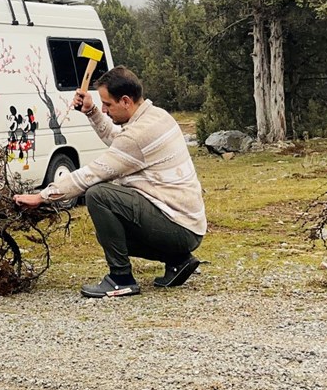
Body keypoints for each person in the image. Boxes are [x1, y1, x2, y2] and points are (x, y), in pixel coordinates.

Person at [14, 66, 206, 298]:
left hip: (178, 227)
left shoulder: (138, 135)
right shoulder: (156, 116)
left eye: (107, 104)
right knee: (110, 234)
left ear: (126, 101)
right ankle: (178, 260)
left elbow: (92, 174)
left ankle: (121, 278)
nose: (104, 110)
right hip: (187, 226)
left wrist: (41, 196)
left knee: (98, 194)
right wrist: (91, 111)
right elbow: (119, 141)